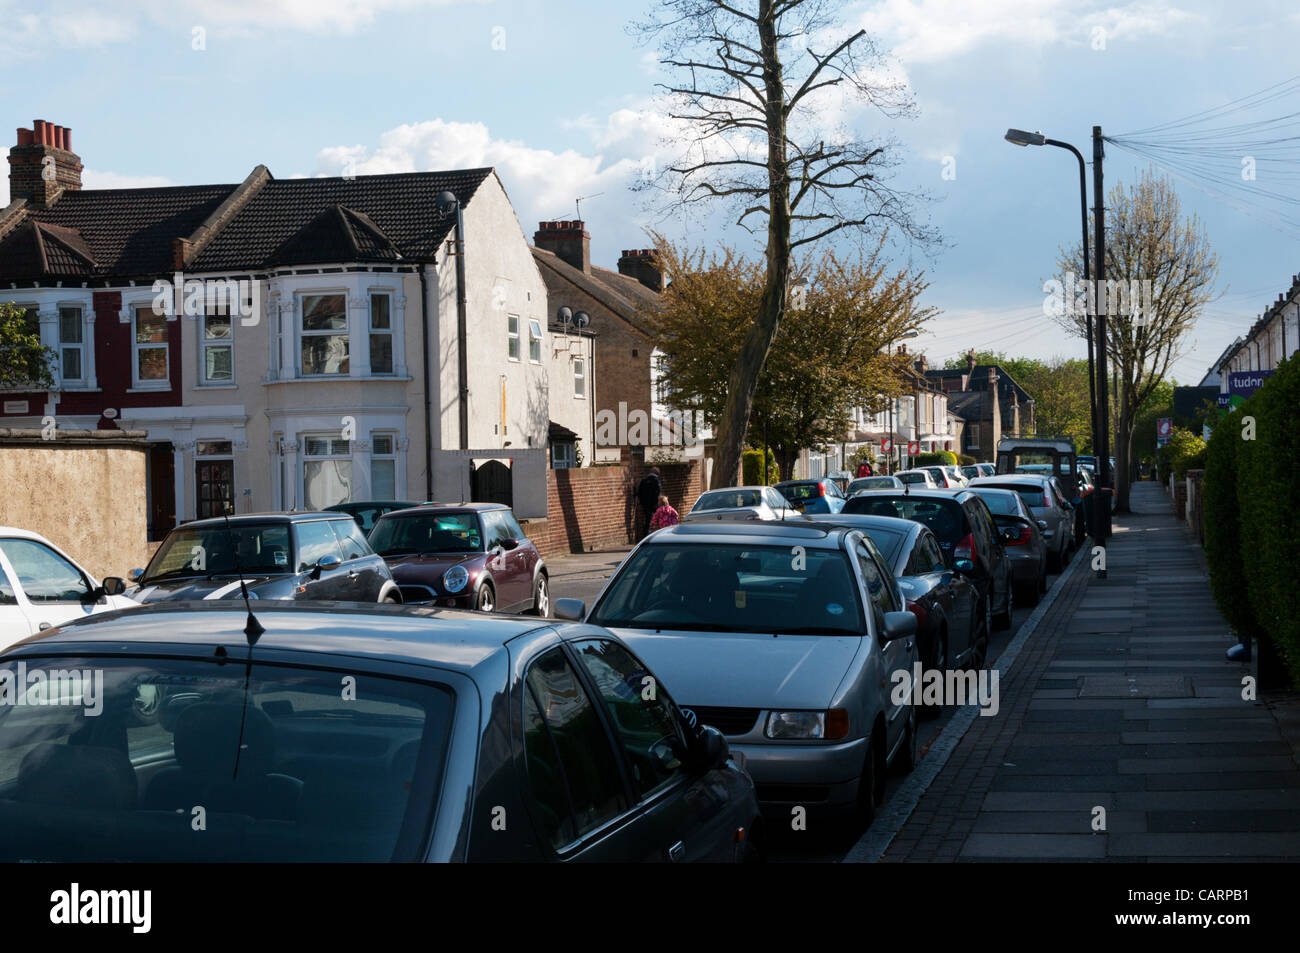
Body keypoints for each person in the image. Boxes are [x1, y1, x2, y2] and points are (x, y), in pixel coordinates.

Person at [636, 467, 661, 539]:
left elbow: (639, 493)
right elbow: (658, 492)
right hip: (654, 504)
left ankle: (646, 537)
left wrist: (642, 502)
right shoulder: (656, 481)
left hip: (645, 504)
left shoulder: (644, 481)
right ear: (657, 473)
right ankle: (660, 535)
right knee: (660, 519)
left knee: (647, 520)